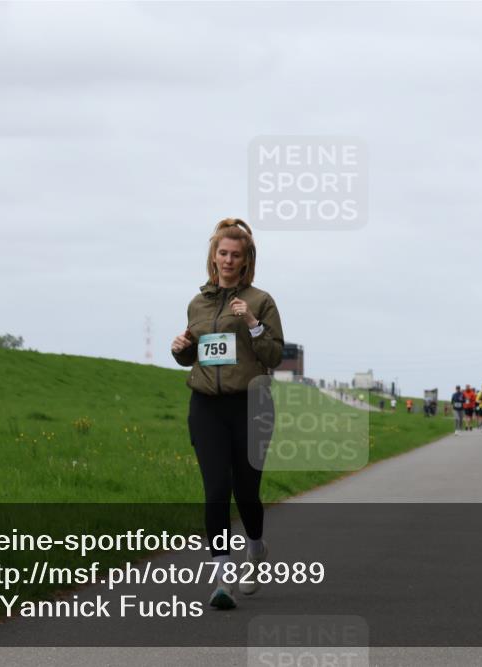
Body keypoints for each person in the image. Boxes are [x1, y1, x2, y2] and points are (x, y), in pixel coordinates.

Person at [171, 218, 284, 610]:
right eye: (223, 253)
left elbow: (275, 356)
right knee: (216, 490)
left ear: (247, 259)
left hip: (251, 405)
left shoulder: (261, 301)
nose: (229, 260)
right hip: (206, 405)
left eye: (236, 255)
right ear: (213, 256)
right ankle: (222, 579)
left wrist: (252, 324)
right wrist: (181, 347)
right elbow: (195, 355)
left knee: (247, 492)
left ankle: (255, 548)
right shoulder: (197, 303)